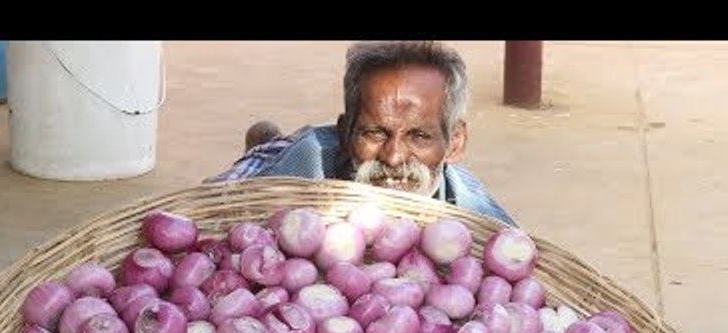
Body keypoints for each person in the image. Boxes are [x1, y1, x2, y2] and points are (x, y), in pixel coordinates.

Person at [207, 40, 517, 227]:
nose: (393, 157)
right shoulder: (308, 162)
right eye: (375, 133)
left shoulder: (475, 214)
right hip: (296, 155)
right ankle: (265, 141)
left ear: (455, 143)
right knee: (271, 154)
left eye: (419, 136)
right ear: (346, 131)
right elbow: (209, 207)